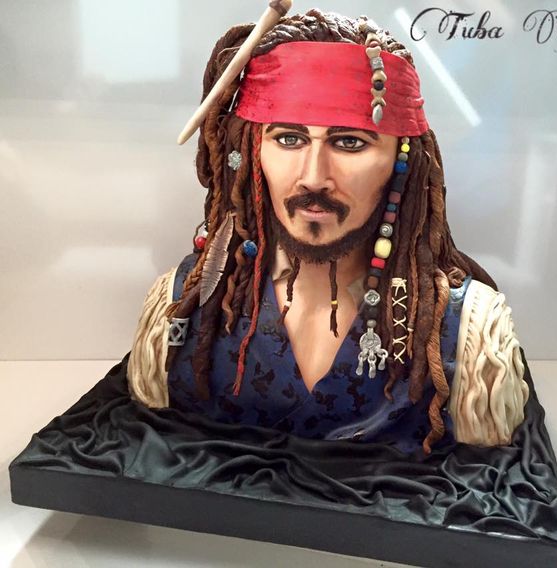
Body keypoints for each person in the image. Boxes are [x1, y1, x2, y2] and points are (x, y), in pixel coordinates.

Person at [127, 9, 529, 457]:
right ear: (250, 151)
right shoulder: (179, 310)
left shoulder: (468, 336)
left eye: (349, 142)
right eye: (289, 139)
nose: (314, 177)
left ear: (404, 161)